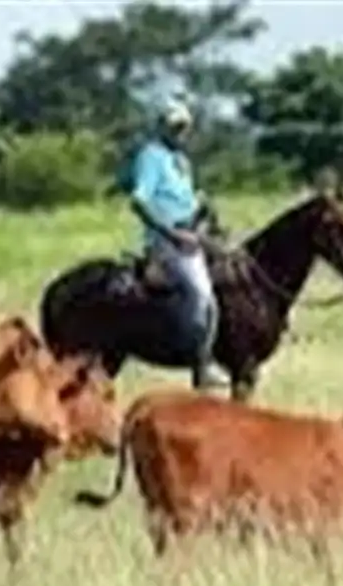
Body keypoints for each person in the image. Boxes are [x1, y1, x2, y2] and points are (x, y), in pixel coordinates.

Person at [127, 98, 224, 389]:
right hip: (167, 242)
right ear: (161, 127)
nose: (181, 133)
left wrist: (204, 214)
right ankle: (201, 362)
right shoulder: (151, 157)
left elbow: (187, 202)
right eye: (175, 127)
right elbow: (138, 202)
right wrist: (170, 234)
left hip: (193, 234)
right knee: (201, 294)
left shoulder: (181, 162)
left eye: (184, 127)